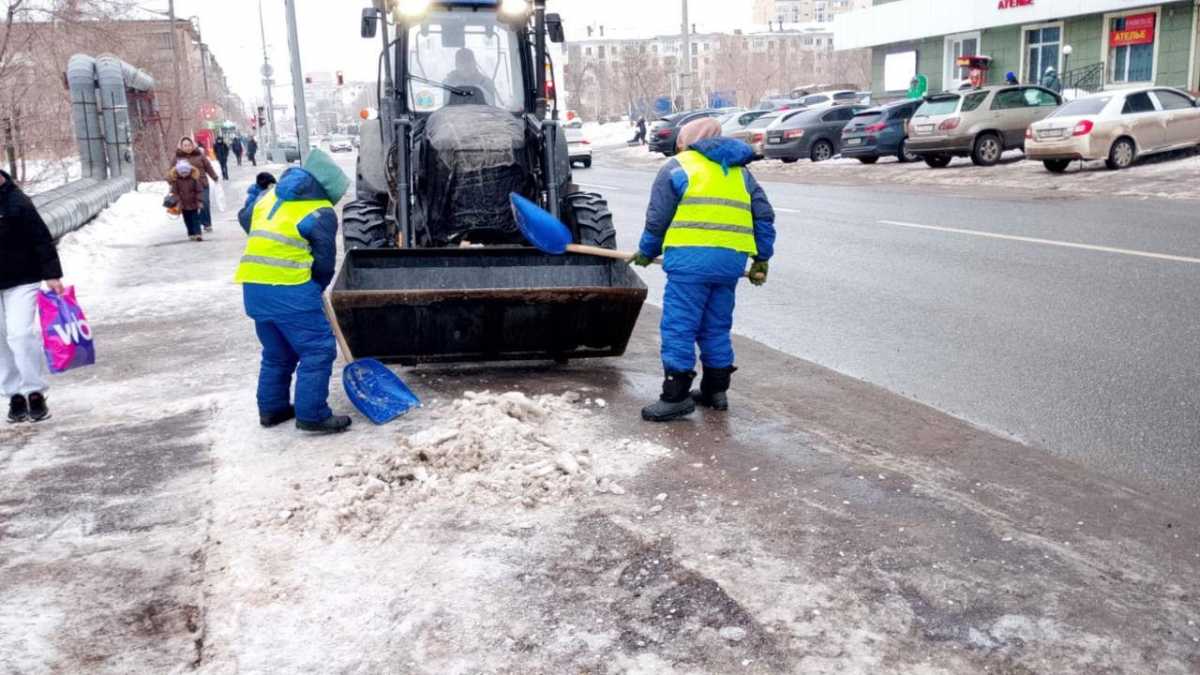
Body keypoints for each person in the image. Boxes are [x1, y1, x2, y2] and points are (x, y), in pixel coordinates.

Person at [631, 117, 775, 422]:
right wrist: (762, 258)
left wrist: (646, 251)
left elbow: (658, 218)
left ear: (686, 140)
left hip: (690, 265)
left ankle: (676, 396)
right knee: (715, 326)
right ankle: (715, 391)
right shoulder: (741, 173)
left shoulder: (677, 167)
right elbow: (763, 216)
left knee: (679, 326)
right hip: (730, 265)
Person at [234, 149, 351, 434]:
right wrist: (315, 289)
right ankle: (312, 414)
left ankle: (272, 410)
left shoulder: (268, 197)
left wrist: (254, 192)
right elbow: (323, 262)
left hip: (253, 288)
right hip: (291, 290)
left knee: (278, 351)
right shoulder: (319, 210)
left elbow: (245, 220)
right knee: (317, 349)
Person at [0, 169, 64, 423]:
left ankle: (34, 392)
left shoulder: (17, 201)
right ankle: (14, 394)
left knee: (20, 333)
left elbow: (41, 238)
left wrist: (52, 274)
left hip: (22, 279)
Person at [174, 137, 219, 233]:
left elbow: (208, 167)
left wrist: (214, 176)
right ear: (181, 147)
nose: (187, 147)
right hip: (187, 187)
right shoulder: (178, 158)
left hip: (202, 184)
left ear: (193, 145)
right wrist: (171, 181)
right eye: (185, 145)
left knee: (205, 203)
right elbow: (171, 171)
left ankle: (206, 223)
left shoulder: (200, 155)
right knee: (191, 207)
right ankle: (195, 225)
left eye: (189, 145)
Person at [167, 157, 206, 241]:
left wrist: (199, 200)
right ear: (178, 172)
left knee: (196, 219)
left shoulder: (194, 179)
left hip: (193, 203)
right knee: (187, 220)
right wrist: (178, 201)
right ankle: (191, 233)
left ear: (189, 171)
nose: (184, 174)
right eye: (182, 172)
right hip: (183, 204)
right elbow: (175, 192)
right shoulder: (176, 181)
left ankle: (198, 234)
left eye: (186, 172)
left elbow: (199, 190)